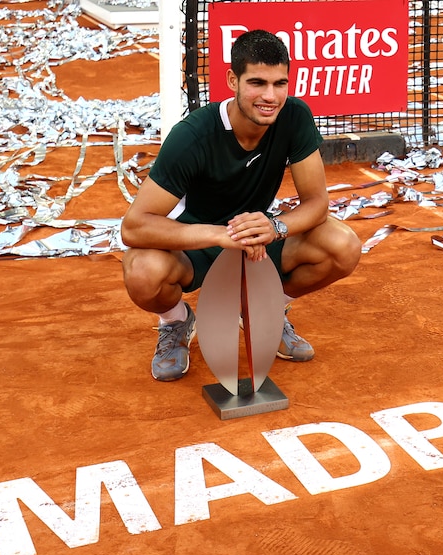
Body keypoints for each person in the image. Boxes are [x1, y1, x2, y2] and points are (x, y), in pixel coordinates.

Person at [121, 29, 361, 382]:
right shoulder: (193, 136)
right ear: (232, 79)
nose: (270, 96)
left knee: (343, 245)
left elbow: (317, 203)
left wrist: (276, 227)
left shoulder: (294, 117)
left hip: (257, 242)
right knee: (143, 272)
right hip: (197, 244)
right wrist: (219, 235)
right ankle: (175, 321)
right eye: (257, 83)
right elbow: (134, 226)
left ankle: (263, 312)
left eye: (280, 83)